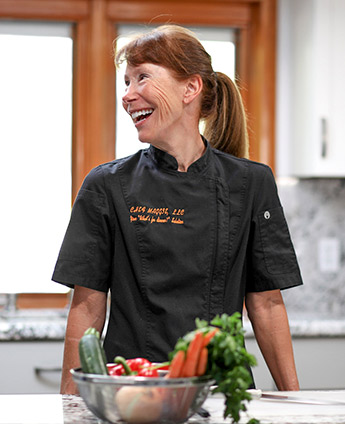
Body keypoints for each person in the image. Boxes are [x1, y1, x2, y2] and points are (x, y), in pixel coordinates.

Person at [52, 24, 303, 394]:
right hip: (133, 393)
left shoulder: (251, 183)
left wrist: (295, 401)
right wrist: (69, 407)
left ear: (190, 88)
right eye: (126, 82)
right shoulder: (107, 184)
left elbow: (266, 303)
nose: (128, 95)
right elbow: (87, 307)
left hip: (222, 393)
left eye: (142, 78)